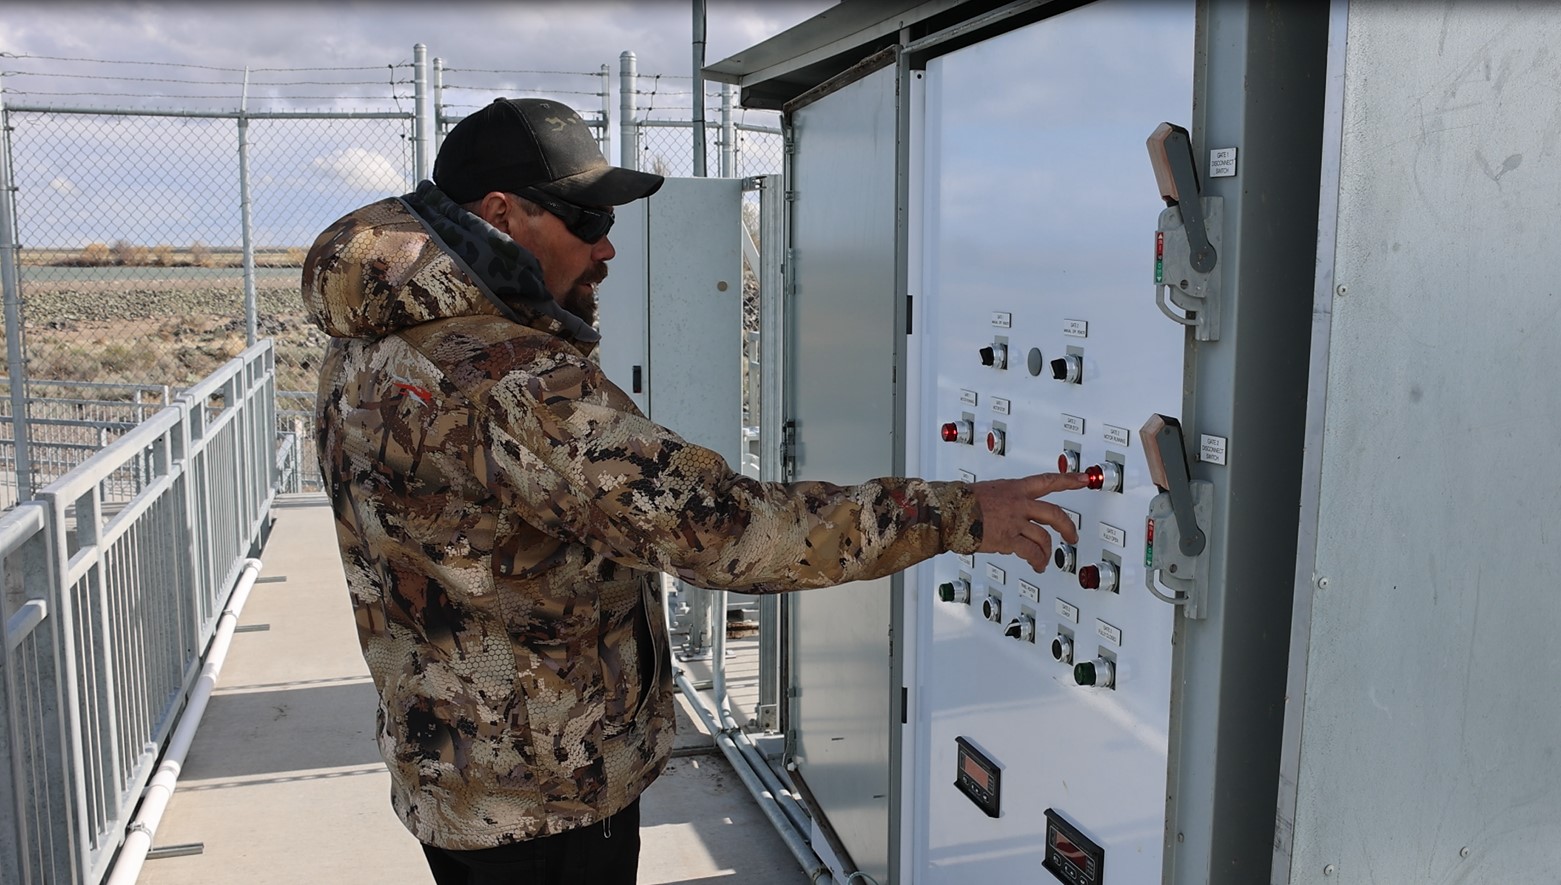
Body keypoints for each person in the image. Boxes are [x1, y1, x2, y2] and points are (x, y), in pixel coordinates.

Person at [300, 96, 1087, 885]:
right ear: (501, 213)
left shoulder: (367, 348)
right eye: (583, 217)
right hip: (547, 798)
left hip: (455, 776)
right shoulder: (511, 383)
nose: (606, 245)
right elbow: (727, 531)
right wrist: (958, 513)